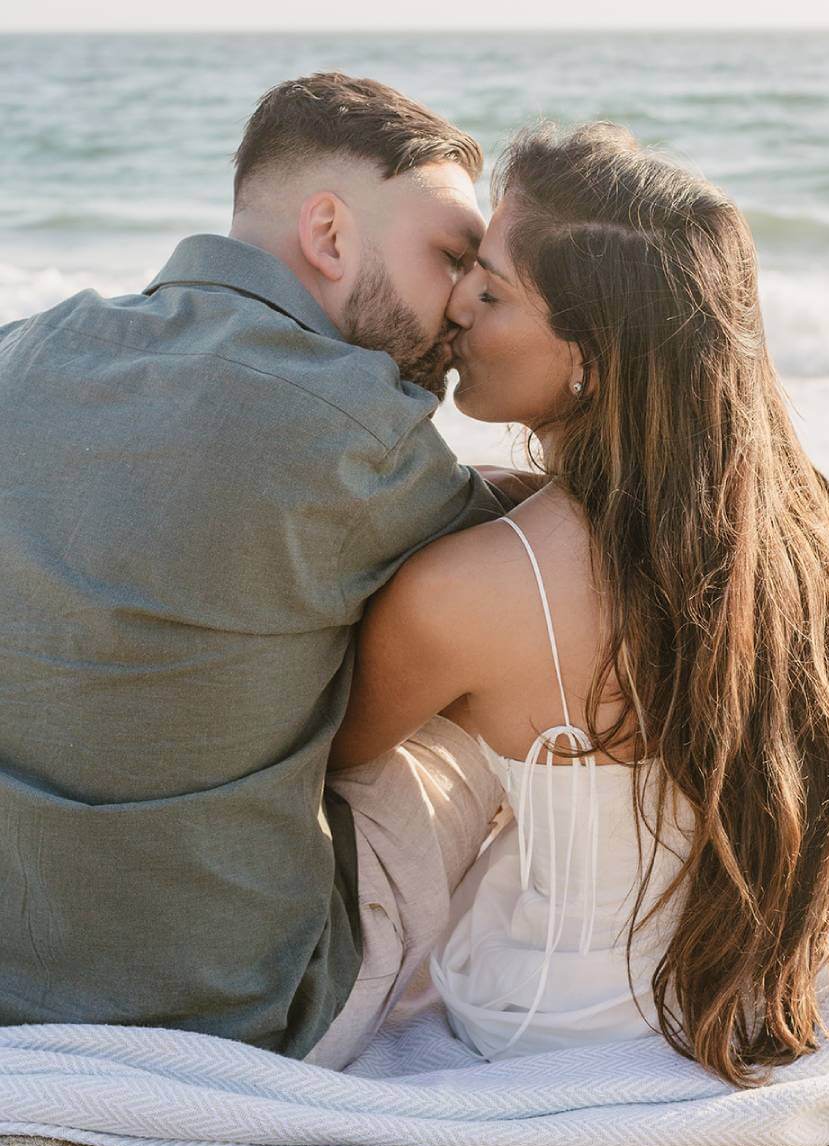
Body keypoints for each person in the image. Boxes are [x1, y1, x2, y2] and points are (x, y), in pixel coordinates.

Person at [329, 122, 829, 1086]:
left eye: (491, 291)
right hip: (799, 967)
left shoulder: (469, 588)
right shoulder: (789, 525)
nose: (454, 310)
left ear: (594, 360)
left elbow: (338, 751)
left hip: (568, 1015)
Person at [0, 72, 536, 1061]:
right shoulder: (352, 421)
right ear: (330, 234)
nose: (462, 304)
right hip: (242, 1004)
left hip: (17, 975)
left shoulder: (23, 353)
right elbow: (537, 572)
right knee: (486, 706)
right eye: (450, 255)